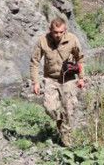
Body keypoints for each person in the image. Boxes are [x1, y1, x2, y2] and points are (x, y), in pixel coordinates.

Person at [30, 17, 85, 147]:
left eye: (61, 32)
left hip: (68, 79)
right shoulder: (43, 41)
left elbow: (80, 59)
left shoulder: (72, 39)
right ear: (50, 30)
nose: (58, 35)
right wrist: (35, 82)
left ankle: (67, 142)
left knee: (68, 109)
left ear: (65, 30)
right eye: (56, 32)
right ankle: (62, 123)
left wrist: (81, 78)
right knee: (50, 108)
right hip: (50, 79)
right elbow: (34, 62)